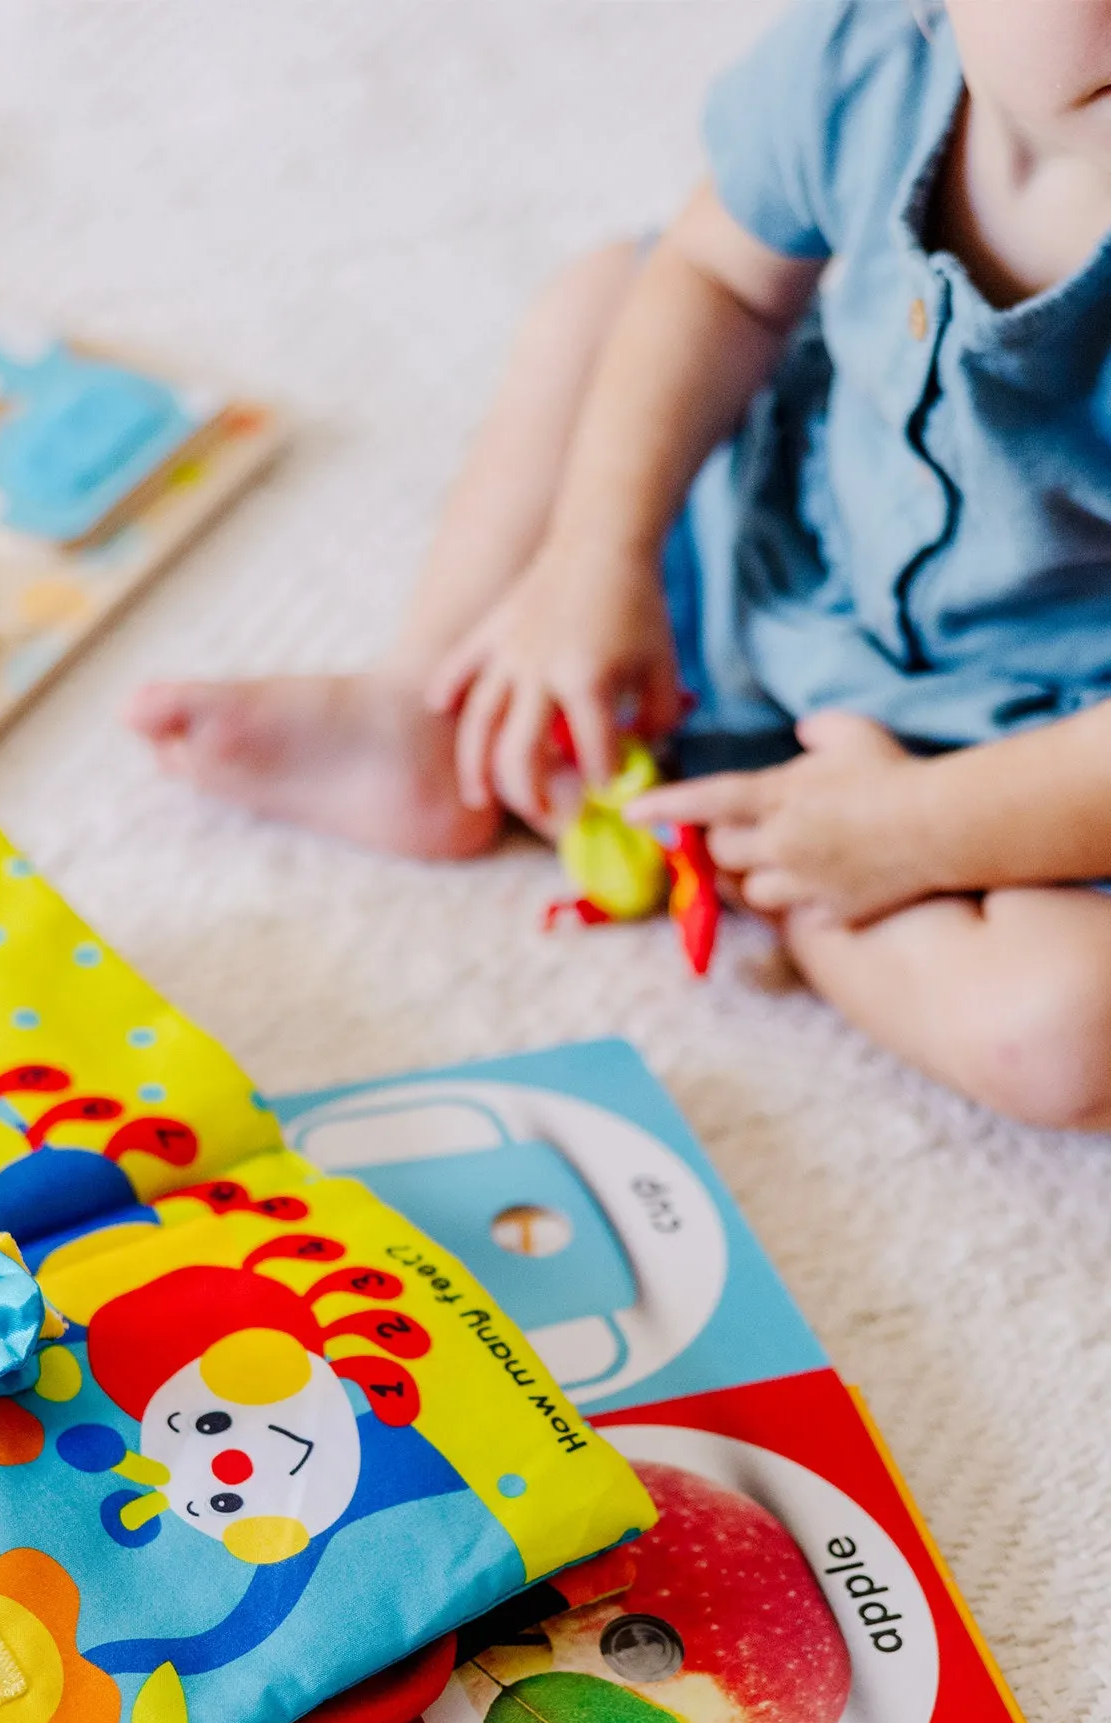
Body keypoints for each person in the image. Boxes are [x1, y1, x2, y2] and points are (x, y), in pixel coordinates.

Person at [129, 0, 1111, 1130]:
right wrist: (598, 554)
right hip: (770, 538)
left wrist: (906, 832)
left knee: (1062, 1032)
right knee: (610, 295)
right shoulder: (868, 56)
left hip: (1039, 753)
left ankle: (775, 867)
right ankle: (437, 699)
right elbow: (717, 280)